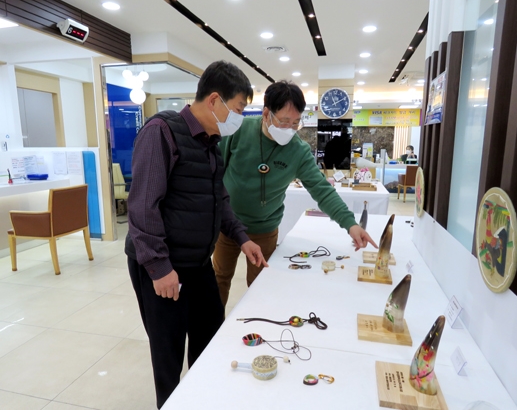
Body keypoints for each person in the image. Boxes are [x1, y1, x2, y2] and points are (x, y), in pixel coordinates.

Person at [125, 60, 267, 409]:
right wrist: (159, 267)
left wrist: (242, 237)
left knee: (210, 341)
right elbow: (143, 207)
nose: (239, 117)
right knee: (168, 352)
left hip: (198, 263)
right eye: (238, 109)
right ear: (215, 100)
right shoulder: (161, 132)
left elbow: (219, 200)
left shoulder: (210, 143)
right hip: (164, 265)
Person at [213, 80, 378, 307]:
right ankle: (213, 328)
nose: (289, 129)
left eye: (295, 123)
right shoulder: (239, 131)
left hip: (264, 230)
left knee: (260, 286)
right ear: (266, 114)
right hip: (228, 226)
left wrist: (350, 224)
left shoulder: (298, 151)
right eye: (284, 121)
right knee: (219, 279)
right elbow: (215, 171)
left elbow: (322, 190)